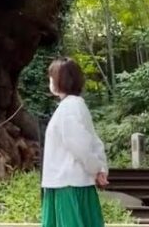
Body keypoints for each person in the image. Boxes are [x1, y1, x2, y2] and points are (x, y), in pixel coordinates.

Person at [40, 57, 108, 227]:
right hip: (70, 184)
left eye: (51, 77)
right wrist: (99, 168)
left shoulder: (69, 108)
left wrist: (96, 169)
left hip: (69, 186)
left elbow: (81, 146)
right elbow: (94, 142)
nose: (49, 81)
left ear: (59, 80)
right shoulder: (75, 106)